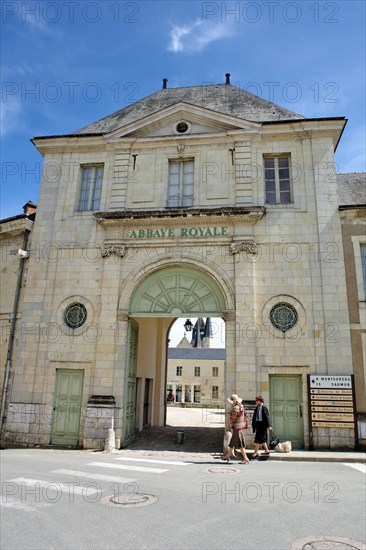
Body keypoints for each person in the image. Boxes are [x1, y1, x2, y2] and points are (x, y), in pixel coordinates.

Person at [222, 394, 249, 464]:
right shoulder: (241, 406)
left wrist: (230, 416)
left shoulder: (236, 407)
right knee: (233, 442)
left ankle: (245, 458)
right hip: (241, 426)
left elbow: (233, 417)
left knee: (240, 443)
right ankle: (228, 456)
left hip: (237, 427)